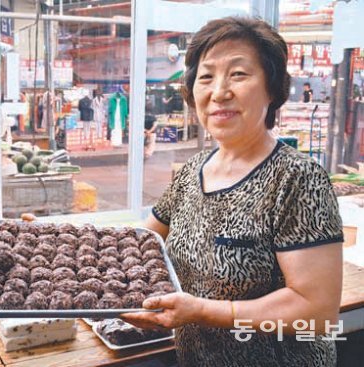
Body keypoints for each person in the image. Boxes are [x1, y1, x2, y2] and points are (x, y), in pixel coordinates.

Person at [122, 17, 343, 367]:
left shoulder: (297, 179)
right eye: (206, 76)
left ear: (272, 88)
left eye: (238, 74)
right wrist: (65, 244)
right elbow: (140, 242)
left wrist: (203, 311)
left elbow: (316, 312)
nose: (219, 91)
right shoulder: (193, 171)